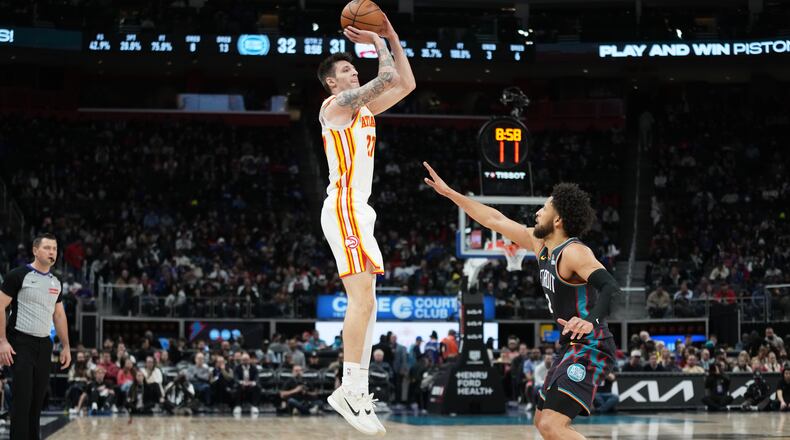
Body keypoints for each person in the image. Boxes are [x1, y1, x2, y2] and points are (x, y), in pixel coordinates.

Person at [425, 175, 620, 440]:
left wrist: (591, 320)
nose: (537, 212)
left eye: (544, 208)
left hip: (591, 345)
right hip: (569, 346)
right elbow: (495, 220)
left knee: (552, 425)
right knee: (541, 422)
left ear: (558, 220)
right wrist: (451, 194)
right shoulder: (540, 245)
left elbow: (610, 287)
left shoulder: (574, 252)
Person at [318, 13, 416, 437]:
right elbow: (387, 75)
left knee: (369, 300)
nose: (352, 70)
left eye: (353, 67)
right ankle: (350, 388)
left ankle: (355, 388)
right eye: (345, 70)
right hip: (343, 206)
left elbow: (406, 83)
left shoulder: (365, 111)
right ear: (332, 83)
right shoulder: (334, 108)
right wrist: (379, 41)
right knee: (361, 299)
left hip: (361, 209)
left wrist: (392, 36)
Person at [0, 233, 72, 439]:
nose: (52, 252)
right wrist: (2, 341)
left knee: (36, 402)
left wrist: (66, 346)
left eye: (55, 249)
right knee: (23, 400)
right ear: (35, 250)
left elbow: (59, 315)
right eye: (48, 248)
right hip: (20, 342)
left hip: (44, 344)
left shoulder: (56, 282)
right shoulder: (18, 275)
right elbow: (0, 306)